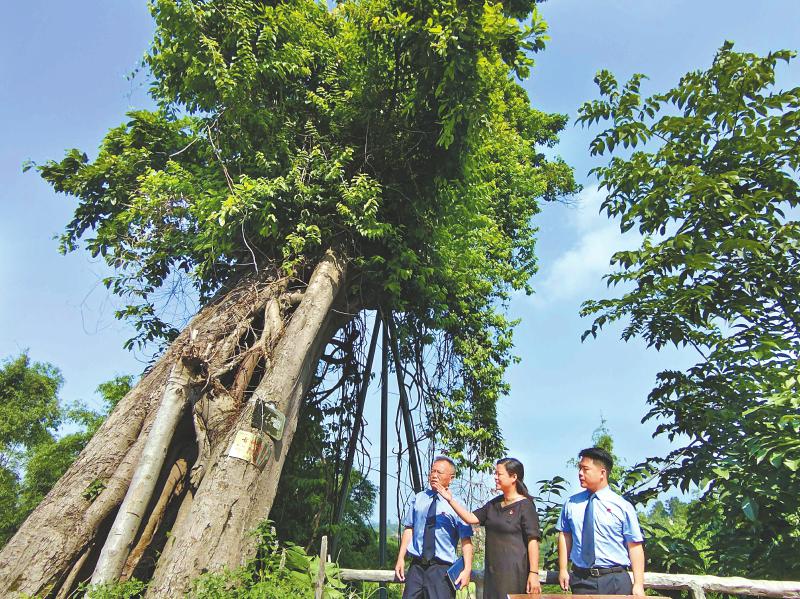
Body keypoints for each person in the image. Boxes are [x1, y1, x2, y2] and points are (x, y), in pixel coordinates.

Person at [433, 457, 541, 599]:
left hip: (514, 573)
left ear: (514, 477)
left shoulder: (525, 506)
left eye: (499, 474)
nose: (495, 477)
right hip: (493, 572)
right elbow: (470, 518)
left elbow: (533, 540)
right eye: (495, 473)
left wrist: (533, 573)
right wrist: (450, 500)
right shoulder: (494, 504)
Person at [556, 447, 646, 596]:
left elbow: (634, 545)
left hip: (615, 579)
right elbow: (565, 536)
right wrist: (563, 569)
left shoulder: (622, 506)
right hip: (582, 579)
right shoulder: (571, 504)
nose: (580, 473)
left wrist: (638, 584)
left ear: (602, 473)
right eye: (579, 469)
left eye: (585, 469)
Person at [395, 456, 474, 599]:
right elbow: (409, 529)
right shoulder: (418, 498)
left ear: (451, 478)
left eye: (439, 472)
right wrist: (401, 558)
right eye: (432, 471)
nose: (434, 475)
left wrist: (467, 569)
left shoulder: (457, 504)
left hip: (441, 570)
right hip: (417, 567)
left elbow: (466, 540)